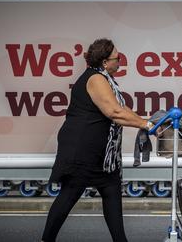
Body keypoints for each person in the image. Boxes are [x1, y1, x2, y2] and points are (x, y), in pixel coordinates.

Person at [42, 38, 153, 242]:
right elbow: (114, 112)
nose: (120, 61)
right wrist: (145, 125)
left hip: (102, 157)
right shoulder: (95, 79)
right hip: (82, 150)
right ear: (104, 62)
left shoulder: (106, 79)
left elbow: (122, 108)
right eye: (117, 58)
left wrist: (147, 122)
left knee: (112, 194)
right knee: (69, 195)